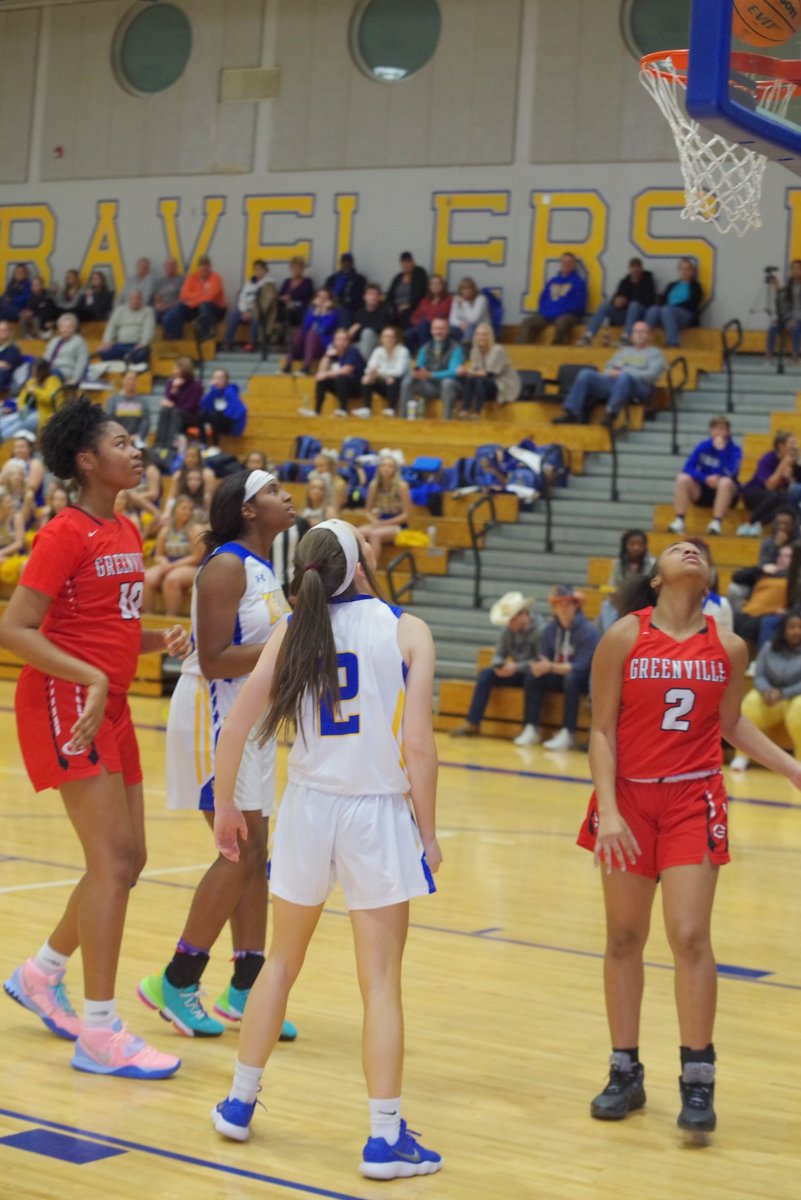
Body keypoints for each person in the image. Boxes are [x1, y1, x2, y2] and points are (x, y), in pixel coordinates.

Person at [209, 519, 442, 1180]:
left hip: (308, 809)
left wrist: (225, 805)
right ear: (359, 564)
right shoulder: (407, 630)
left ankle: (238, 1104)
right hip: (375, 812)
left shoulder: (292, 629)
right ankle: (383, 1139)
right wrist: (427, 835)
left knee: (280, 964)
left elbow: (236, 726)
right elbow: (419, 747)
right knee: (380, 983)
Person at [576, 540, 801, 1132]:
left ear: (710, 581)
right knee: (625, 936)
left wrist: (791, 767)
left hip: (692, 798)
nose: (690, 552)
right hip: (628, 799)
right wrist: (608, 810)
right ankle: (624, 1071)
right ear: (656, 579)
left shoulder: (729, 646)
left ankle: (698, 1078)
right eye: (678, 549)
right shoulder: (624, 636)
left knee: (690, 934)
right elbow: (601, 731)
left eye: (699, 552)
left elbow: (732, 723)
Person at [0, 398, 186, 1079]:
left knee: (129, 860)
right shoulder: (64, 533)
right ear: (87, 460)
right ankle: (100, 1032)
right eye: (122, 442)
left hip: (109, 699)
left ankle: (42, 973)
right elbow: (13, 628)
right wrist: (90, 676)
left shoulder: (127, 528)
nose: (136, 451)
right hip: (66, 698)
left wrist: (162, 639)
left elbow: (111, 630)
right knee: (110, 861)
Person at [138, 470, 299, 1041]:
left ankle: (246, 987)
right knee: (239, 850)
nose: (287, 495)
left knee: (255, 854)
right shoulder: (226, 565)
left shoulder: (262, 568)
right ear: (248, 509)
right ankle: (176, 980)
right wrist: (288, 645)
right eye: (273, 490)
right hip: (213, 713)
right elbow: (213, 658)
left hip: (250, 717)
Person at [514, 585, 599, 750]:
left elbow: (581, 667)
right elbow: (544, 658)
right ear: (554, 608)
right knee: (533, 675)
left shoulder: (588, 631)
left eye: (568, 604)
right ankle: (531, 727)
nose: (564, 608)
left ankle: (568, 732)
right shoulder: (550, 630)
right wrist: (539, 666)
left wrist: (550, 666)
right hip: (559, 674)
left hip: (583, 680)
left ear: (576, 606)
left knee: (572, 679)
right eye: (560, 604)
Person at [450, 591, 541, 737]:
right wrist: (499, 665)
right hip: (514, 672)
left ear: (524, 614)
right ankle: (472, 723)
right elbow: (498, 654)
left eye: (512, 619)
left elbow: (542, 660)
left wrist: (515, 667)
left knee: (533, 677)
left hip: (533, 674)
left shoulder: (540, 630)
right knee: (486, 674)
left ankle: (529, 728)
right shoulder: (508, 629)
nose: (510, 624)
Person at [552, 321, 666, 427]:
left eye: (643, 332)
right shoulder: (624, 352)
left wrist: (625, 372)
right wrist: (611, 373)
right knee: (586, 374)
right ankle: (571, 413)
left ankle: (610, 414)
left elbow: (652, 375)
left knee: (624, 377)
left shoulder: (655, 354)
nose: (639, 335)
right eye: (636, 332)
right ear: (632, 336)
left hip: (638, 388)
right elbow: (607, 369)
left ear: (649, 336)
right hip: (615, 384)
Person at [731, 612, 801, 769]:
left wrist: (783, 693)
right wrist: (767, 690)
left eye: (800, 627)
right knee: (749, 704)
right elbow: (759, 675)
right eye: (792, 627)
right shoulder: (769, 647)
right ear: (784, 630)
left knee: (799, 709)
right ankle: (741, 756)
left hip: (795, 696)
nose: (796, 631)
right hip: (770, 695)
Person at [668, 416, 742, 537]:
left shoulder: (735, 450)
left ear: (728, 432)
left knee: (725, 482)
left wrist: (722, 452)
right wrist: (705, 478)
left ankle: (716, 522)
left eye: (721, 429)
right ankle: (679, 520)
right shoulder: (703, 446)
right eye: (715, 428)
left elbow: (732, 472)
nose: (718, 432)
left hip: (726, 493)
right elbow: (687, 468)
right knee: (682, 478)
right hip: (704, 489)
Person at [142, 494, 205, 615]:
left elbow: (197, 557)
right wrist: (163, 562)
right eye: (184, 508)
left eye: (190, 509)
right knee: (147, 577)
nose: (187, 512)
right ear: (175, 510)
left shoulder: (195, 529)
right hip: (170, 564)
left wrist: (172, 566)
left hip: (193, 566)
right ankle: (149, 617)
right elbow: (158, 555)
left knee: (171, 579)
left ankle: (171, 618)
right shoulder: (166, 530)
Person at [577, 258, 657, 346]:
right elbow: (617, 296)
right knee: (605, 306)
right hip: (625, 315)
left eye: (637, 268)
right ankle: (588, 335)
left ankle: (626, 337)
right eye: (633, 268)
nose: (635, 271)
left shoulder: (648, 281)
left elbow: (649, 301)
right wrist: (616, 302)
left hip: (640, 316)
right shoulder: (625, 281)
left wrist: (626, 302)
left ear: (641, 269)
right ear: (630, 269)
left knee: (634, 305)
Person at [399, 317, 464, 419]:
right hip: (430, 386)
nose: (439, 332)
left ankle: (447, 422)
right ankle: (404, 419)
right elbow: (420, 367)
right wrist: (418, 373)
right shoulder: (424, 348)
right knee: (408, 381)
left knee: (447, 382)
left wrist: (431, 375)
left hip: (452, 387)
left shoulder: (456, 348)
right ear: (431, 330)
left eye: (442, 329)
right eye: (436, 329)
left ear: (447, 330)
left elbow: (454, 372)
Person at [737, 431, 801, 535]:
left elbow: (791, 492)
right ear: (781, 446)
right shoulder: (768, 458)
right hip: (753, 493)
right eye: (792, 443)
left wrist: (789, 479)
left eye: (795, 444)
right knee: (775, 495)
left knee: (787, 501)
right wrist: (782, 466)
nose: (795, 447)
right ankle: (748, 523)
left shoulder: (792, 464)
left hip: (774, 499)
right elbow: (769, 486)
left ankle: (758, 525)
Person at [517, 253, 587, 345]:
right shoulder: (552, 281)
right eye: (564, 262)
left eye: (569, 262)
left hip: (569, 316)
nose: (566, 264)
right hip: (548, 316)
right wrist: (546, 312)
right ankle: (522, 350)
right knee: (528, 322)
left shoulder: (579, 283)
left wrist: (558, 311)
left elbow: (579, 305)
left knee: (562, 322)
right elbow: (542, 300)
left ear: (574, 265)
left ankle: (557, 350)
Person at [456, 322, 520, 417]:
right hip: (486, 383)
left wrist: (467, 371)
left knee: (480, 381)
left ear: (490, 336)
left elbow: (488, 374)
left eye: (484, 334)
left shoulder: (498, 350)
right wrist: (463, 371)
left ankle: (477, 412)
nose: (481, 337)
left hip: (503, 384)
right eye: (478, 334)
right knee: (471, 380)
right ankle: (465, 409)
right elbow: (476, 371)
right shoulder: (475, 351)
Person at [599, 530, 656, 633]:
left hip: (645, 602)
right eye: (632, 544)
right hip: (623, 601)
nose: (636, 547)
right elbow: (612, 587)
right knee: (607, 604)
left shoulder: (652, 564)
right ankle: (610, 634)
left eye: (639, 544)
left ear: (645, 546)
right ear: (625, 546)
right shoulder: (617, 564)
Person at [359, 453, 412, 562]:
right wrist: (374, 520)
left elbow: (406, 515)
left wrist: (385, 523)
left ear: (395, 470)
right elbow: (367, 511)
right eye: (383, 465)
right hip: (380, 521)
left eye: (390, 466)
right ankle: (355, 565)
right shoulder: (373, 485)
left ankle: (371, 568)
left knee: (375, 535)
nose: (386, 469)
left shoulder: (402, 486)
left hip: (398, 524)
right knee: (358, 533)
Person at [163, 256, 226, 341]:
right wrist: (201, 293)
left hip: (216, 310)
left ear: (210, 267)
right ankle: (175, 338)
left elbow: (210, 297)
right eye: (201, 267)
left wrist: (192, 302)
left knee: (204, 305)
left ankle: (206, 335)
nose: (204, 269)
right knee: (179, 308)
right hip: (197, 308)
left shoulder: (216, 278)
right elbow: (183, 295)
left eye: (206, 267)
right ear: (198, 268)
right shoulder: (192, 277)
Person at [644, 258, 703, 348]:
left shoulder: (696, 286)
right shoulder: (672, 285)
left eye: (687, 269)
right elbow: (662, 299)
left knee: (667, 310)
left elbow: (693, 303)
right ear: (679, 271)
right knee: (654, 310)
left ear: (692, 271)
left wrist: (672, 307)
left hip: (685, 314)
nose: (684, 272)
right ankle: (642, 340)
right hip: (667, 312)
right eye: (682, 269)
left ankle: (673, 343)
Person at [282, 287, 339, 374]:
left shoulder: (333, 313)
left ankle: (307, 367)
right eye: (319, 297)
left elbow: (323, 329)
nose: (322, 300)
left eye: (325, 297)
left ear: (330, 300)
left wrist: (323, 312)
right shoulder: (311, 311)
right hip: (306, 346)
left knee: (312, 334)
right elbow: (305, 327)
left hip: (321, 347)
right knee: (298, 332)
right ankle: (288, 365)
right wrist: (316, 312)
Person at [309, 329, 365, 417]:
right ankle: (317, 411)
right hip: (340, 387)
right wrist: (327, 356)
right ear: (334, 341)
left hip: (357, 387)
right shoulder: (333, 352)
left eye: (344, 339)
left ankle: (343, 409)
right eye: (338, 339)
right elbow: (321, 371)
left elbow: (347, 370)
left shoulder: (352, 351)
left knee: (340, 377)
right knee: (321, 380)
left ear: (348, 341)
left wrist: (326, 374)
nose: (341, 342)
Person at [223, 260, 277, 351]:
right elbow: (242, 298)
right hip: (246, 311)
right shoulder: (248, 283)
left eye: (260, 269)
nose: (258, 271)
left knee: (256, 316)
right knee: (233, 314)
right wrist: (244, 311)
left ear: (265, 270)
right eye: (256, 269)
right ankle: (228, 342)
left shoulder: (269, 284)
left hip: (260, 311)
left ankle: (252, 343)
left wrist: (252, 312)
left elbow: (266, 304)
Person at [1, 359, 59, 442]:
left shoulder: (53, 381)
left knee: (19, 425)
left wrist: (35, 391)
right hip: (27, 411)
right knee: (7, 420)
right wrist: (21, 408)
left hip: (42, 413)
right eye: (33, 370)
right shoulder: (32, 381)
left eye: (35, 370)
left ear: (42, 371)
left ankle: (2, 440)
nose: (33, 373)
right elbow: (21, 397)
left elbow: (50, 398)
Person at [154, 357, 203, 450]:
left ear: (184, 369)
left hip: (190, 415)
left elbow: (191, 406)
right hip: (175, 412)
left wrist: (174, 405)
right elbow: (167, 400)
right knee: (164, 411)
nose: (173, 371)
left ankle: (170, 445)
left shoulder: (196, 385)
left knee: (176, 412)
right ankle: (159, 444)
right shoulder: (171, 382)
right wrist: (174, 389)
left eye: (175, 368)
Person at [360, 326, 411, 417]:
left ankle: (391, 408)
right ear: (381, 339)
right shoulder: (378, 351)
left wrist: (380, 373)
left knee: (392, 379)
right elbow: (369, 369)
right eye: (385, 337)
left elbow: (399, 372)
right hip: (383, 382)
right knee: (366, 379)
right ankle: (367, 408)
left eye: (391, 337)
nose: (388, 340)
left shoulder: (403, 351)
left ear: (395, 339)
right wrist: (372, 374)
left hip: (400, 384)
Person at [96, 289, 155, 366]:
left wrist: (144, 343)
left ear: (141, 300)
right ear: (128, 300)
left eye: (138, 298)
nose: (135, 301)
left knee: (141, 354)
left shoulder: (148, 311)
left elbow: (149, 329)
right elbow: (111, 327)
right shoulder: (119, 310)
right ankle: (119, 365)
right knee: (103, 352)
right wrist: (107, 342)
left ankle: (133, 368)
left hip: (137, 345)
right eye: (133, 298)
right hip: (120, 344)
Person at [198, 368, 248, 445]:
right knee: (201, 414)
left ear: (226, 380)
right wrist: (213, 391)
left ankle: (215, 445)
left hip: (228, 424)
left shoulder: (230, 391)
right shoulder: (213, 392)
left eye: (220, 378)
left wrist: (236, 430)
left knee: (214, 415)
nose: (217, 381)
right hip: (214, 423)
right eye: (215, 378)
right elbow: (204, 407)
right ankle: (203, 443)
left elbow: (240, 411)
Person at [405, 274, 452, 352]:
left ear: (443, 286)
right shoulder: (424, 301)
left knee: (425, 323)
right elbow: (414, 317)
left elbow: (449, 317)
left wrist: (432, 322)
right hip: (423, 327)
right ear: (429, 287)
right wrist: (420, 323)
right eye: (432, 284)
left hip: (440, 327)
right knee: (409, 333)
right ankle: (412, 355)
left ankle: (425, 352)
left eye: (437, 284)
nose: (435, 286)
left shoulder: (449, 300)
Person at [347, 283, 393, 361]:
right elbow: (355, 333)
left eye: (376, 295)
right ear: (364, 297)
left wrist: (360, 326)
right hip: (362, 343)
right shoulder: (360, 312)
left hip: (381, 342)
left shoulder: (385, 310)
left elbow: (379, 328)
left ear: (380, 297)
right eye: (370, 294)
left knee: (367, 333)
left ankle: (364, 365)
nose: (373, 297)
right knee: (341, 340)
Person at [105, 370, 151, 446]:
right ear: (123, 380)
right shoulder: (113, 400)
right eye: (129, 379)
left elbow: (145, 421)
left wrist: (139, 435)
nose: (131, 382)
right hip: (117, 439)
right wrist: (120, 436)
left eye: (134, 379)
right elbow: (109, 420)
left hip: (136, 440)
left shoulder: (142, 401)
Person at [767, 259, 801, 362]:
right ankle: (769, 356)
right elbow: (781, 300)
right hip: (789, 317)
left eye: (798, 269)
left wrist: (794, 320)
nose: (795, 271)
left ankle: (795, 357)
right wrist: (776, 285)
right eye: (793, 269)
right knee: (773, 326)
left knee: (795, 327)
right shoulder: (788, 286)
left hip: (798, 318)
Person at [43, 313, 89, 387]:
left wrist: (75, 380)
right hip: (50, 371)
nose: (65, 330)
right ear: (59, 328)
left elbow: (82, 362)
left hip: (66, 373)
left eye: (69, 327)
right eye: (63, 327)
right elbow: (45, 359)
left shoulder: (79, 341)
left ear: (74, 328)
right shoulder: (54, 341)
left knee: (51, 375)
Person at [386, 251, 429, 328]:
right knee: (387, 314)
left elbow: (420, 292)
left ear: (413, 262)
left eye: (408, 262)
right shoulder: (398, 277)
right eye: (403, 263)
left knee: (405, 315)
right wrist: (393, 306)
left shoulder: (420, 273)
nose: (406, 265)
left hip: (413, 307)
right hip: (396, 307)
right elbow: (390, 295)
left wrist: (409, 305)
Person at [325, 252, 366, 322]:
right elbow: (325, 292)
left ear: (352, 263)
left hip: (349, 309)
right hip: (330, 306)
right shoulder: (332, 279)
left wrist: (342, 304)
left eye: (348, 262)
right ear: (340, 263)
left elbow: (359, 297)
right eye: (344, 262)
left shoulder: (359, 279)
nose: (346, 264)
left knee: (343, 313)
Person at [276, 256, 314, 334]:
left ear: (302, 269)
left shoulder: (307, 282)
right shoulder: (287, 282)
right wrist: (283, 298)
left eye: (298, 268)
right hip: (285, 308)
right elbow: (280, 295)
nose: (296, 270)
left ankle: (288, 337)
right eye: (293, 268)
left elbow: (307, 299)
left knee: (290, 312)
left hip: (300, 310)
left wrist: (292, 301)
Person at [448, 277, 490, 344]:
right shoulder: (457, 299)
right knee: (452, 329)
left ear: (473, 289)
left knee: (471, 326)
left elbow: (473, 319)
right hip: (462, 327)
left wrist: (464, 303)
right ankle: (456, 349)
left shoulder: (481, 299)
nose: (466, 291)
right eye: (463, 289)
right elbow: (452, 320)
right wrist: (460, 324)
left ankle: (466, 347)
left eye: (468, 288)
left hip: (480, 328)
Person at [0, 485, 26, 585]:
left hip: (16, 555)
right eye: (6, 502)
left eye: (10, 501)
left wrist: (1, 552)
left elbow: (19, 543)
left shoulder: (16, 517)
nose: (10, 505)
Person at [152, 258, 184, 325]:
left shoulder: (181, 280)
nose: (169, 267)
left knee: (168, 318)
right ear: (165, 267)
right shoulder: (160, 281)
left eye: (172, 265)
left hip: (175, 307)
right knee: (150, 317)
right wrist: (158, 305)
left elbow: (182, 299)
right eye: (167, 265)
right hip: (162, 308)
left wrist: (167, 306)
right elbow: (157, 297)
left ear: (176, 267)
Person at [0, 319, 24, 392]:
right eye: (0, 330)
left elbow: (6, 365)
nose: (2, 332)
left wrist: (2, 364)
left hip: (9, 375)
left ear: (9, 332)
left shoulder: (13, 348)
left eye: (5, 330)